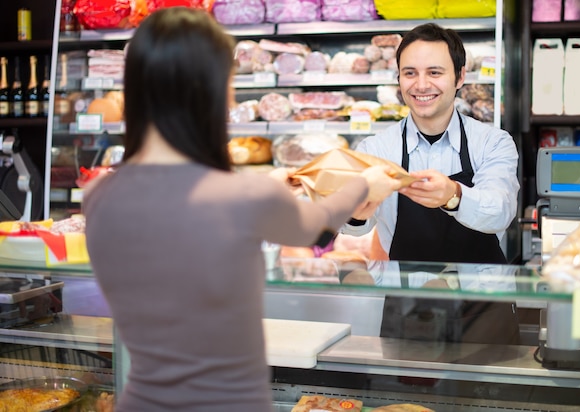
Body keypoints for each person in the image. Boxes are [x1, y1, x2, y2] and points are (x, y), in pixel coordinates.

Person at [82, 7, 400, 412]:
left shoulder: (99, 195)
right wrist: (364, 183)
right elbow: (319, 227)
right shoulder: (242, 197)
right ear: (207, 91)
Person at [341, 23, 521, 344]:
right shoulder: (376, 149)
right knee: (403, 394)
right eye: (409, 73)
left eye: (435, 72)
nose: (421, 84)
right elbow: (355, 228)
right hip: (406, 306)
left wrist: (453, 196)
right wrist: (354, 210)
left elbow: (500, 212)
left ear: (460, 77)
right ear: (398, 78)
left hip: (482, 306)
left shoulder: (492, 142)